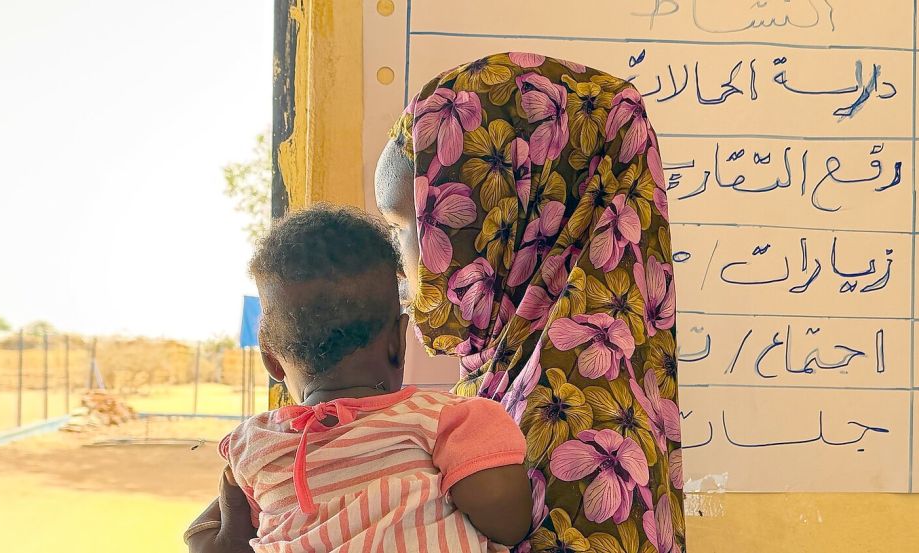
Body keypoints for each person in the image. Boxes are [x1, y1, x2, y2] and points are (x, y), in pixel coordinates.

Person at [189, 52, 684, 552]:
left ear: (495, 217)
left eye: (408, 227)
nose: (403, 264)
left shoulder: (584, 417)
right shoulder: (507, 372)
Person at [185, 205, 532, 552]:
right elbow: (508, 522)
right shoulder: (446, 420)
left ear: (272, 360)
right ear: (398, 342)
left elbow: (208, 545)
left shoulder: (255, 444)